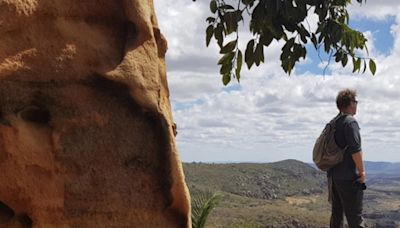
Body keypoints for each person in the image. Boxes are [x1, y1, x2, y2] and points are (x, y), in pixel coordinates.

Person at [329, 89, 366, 228]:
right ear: (350, 103)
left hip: (334, 177)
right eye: (355, 102)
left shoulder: (334, 122)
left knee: (337, 215)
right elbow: (355, 151)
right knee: (355, 218)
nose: (356, 105)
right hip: (349, 178)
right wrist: (362, 172)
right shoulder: (350, 122)